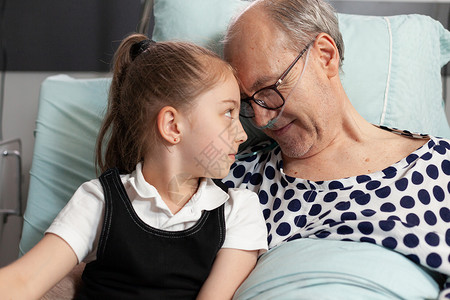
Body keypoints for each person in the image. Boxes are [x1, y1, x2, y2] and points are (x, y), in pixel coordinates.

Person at [0, 33, 267, 299]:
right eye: (228, 112)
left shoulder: (238, 211)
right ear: (173, 126)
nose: (242, 134)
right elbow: (24, 280)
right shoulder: (98, 201)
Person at [221, 0, 450, 298]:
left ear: (325, 56)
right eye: (248, 103)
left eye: (269, 90)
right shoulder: (236, 181)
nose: (263, 118)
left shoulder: (440, 168)